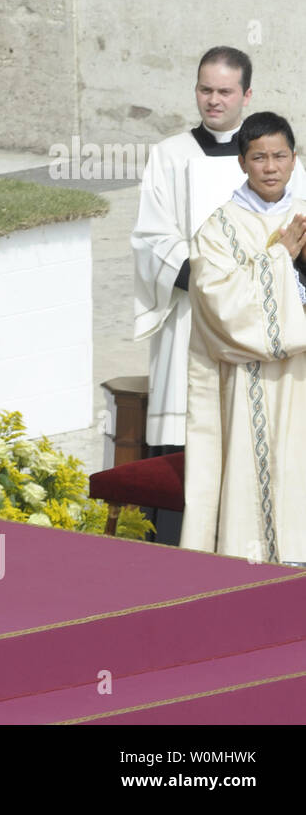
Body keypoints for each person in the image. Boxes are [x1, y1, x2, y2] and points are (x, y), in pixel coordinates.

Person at [131, 47, 303, 456]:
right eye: (205, 90)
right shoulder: (170, 155)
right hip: (194, 311)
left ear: (246, 95)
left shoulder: (279, 160)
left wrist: (256, 285)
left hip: (265, 320)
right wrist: (212, 285)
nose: (214, 100)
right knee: (190, 438)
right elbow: (151, 239)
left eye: (225, 91)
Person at [185, 111, 306, 566]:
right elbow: (222, 310)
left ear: (294, 160)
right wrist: (279, 259)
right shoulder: (218, 230)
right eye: (259, 158)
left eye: (279, 156)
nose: (270, 167)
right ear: (242, 163)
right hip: (247, 383)